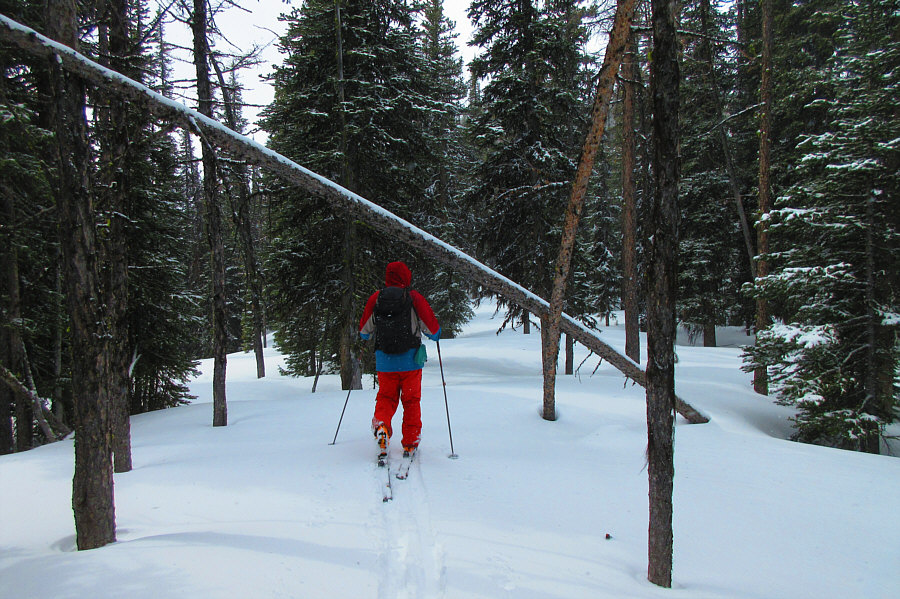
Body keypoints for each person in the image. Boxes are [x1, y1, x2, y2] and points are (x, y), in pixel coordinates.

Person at [359, 261, 440, 460]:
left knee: (386, 397)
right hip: (410, 361)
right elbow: (433, 329)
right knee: (411, 401)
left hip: (385, 361)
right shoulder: (413, 298)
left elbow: (364, 331)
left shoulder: (376, 298)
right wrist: (435, 335)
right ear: (406, 276)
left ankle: (382, 427)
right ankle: (410, 442)